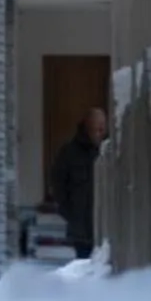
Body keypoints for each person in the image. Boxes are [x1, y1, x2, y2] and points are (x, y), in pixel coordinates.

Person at [48, 105, 109, 259]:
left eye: (103, 129)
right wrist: (70, 213)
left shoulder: (109, 151)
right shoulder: (69, 153)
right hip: (81, 228)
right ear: (87, 127)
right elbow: (58, 185)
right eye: (97, 129)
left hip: (107, 226)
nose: (101, 134)